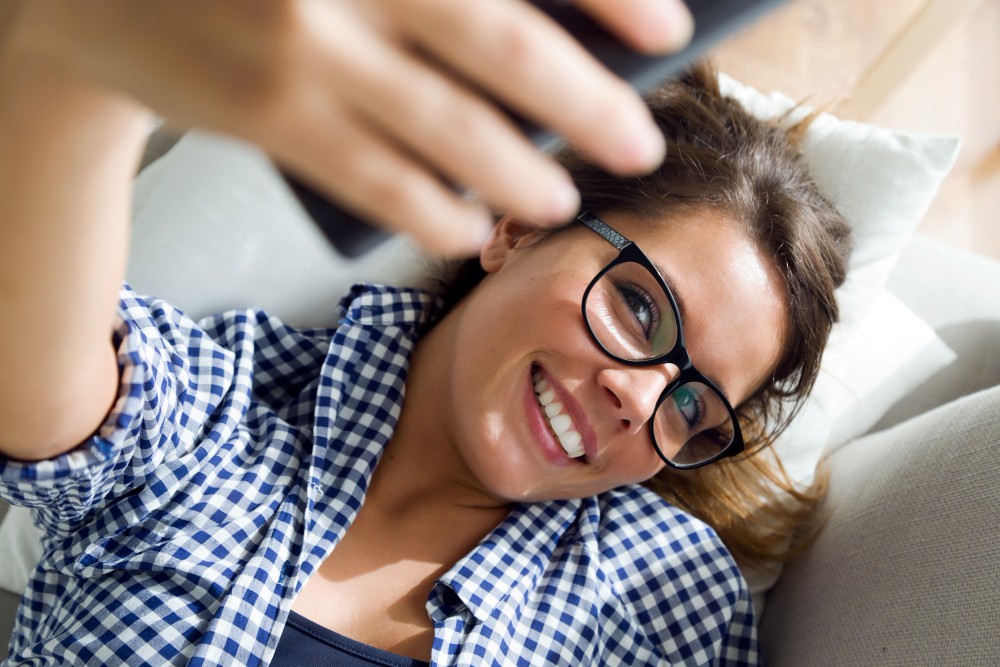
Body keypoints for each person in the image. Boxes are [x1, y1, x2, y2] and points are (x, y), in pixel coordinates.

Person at [0, 2, 852, 666]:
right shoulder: (220, 399)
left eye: (693, 405)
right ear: (518, 231)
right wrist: (74, 67)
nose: (641, 395)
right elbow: (34, 372)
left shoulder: (661, 594)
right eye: (640, 307)